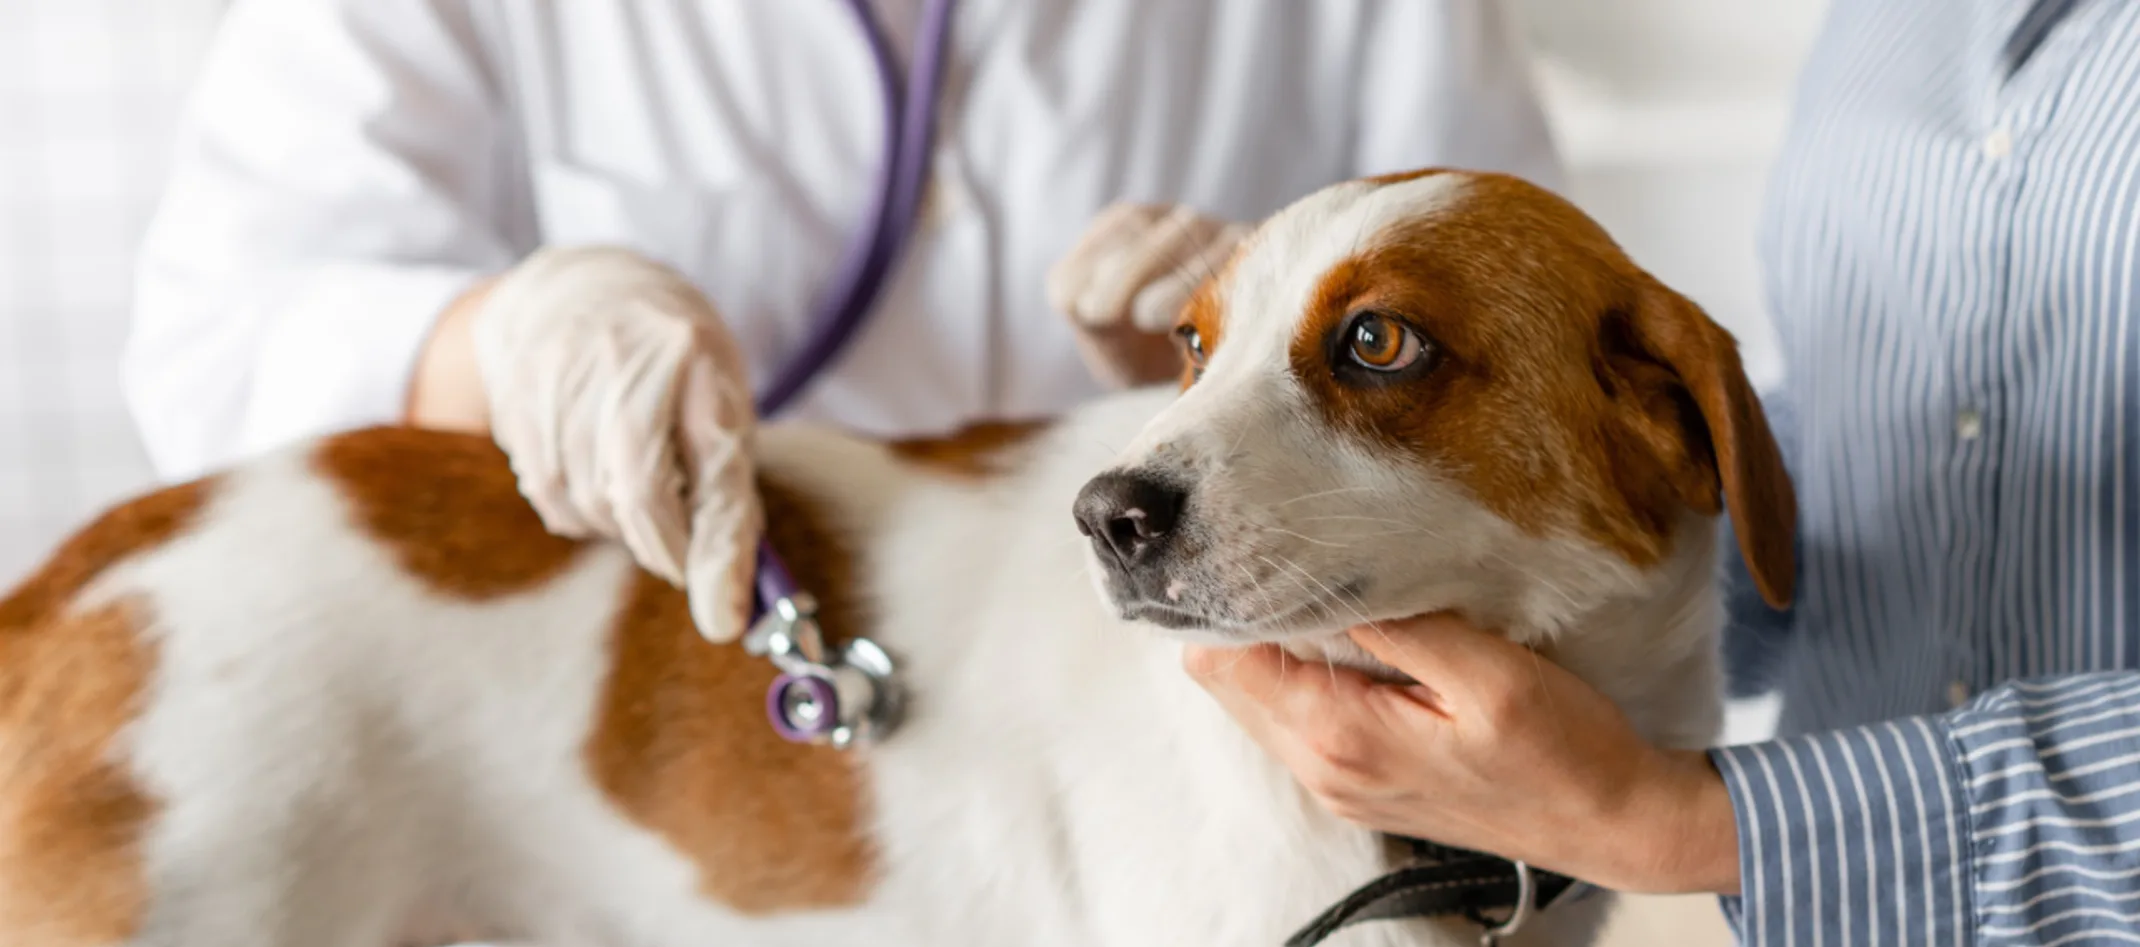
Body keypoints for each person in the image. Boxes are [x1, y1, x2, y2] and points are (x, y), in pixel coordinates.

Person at [1187, 0, 2140, 947]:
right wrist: (1242, 440)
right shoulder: (1888, 25)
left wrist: (1675, 822)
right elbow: (1869, 447)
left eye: (1375, 338)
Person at [126, 0, 1561, 636]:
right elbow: (217, 341)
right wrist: (511, 338)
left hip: (1181, 799)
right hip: (639, 822)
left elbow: (1521, 349)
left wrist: (1215, 380)